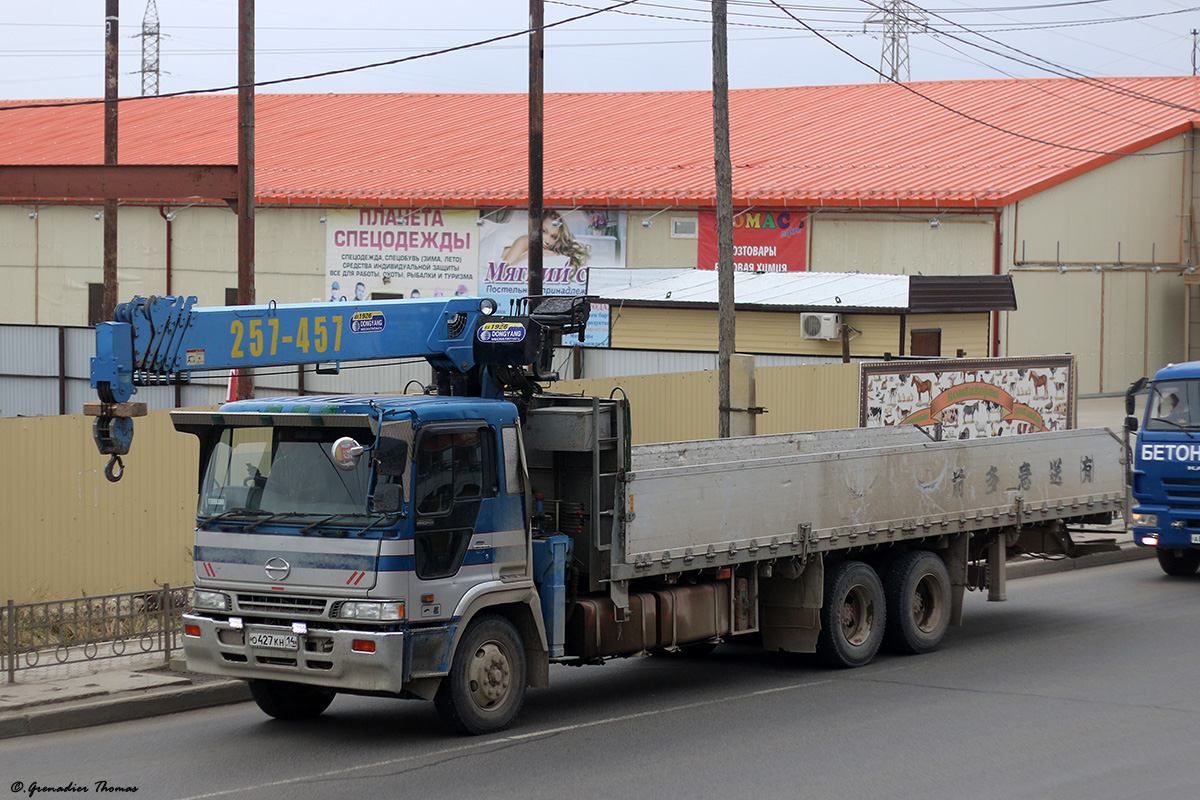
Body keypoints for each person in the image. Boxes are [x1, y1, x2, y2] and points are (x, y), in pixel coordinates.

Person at [501, 210, 591, 282]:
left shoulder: (554, 251)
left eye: (553, 237)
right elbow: (502, 273)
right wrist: (528, 255)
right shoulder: (525, 240)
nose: (547, 241)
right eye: (544, 231)